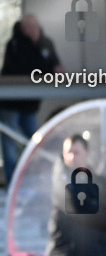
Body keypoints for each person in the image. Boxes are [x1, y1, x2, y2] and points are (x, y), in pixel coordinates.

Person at [0, 14, 63, 183]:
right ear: (23, 29)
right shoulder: (14, 45)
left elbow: (55, 65)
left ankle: (34, 179)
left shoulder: (45, 43)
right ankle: (13, 183)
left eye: (35, 26)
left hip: (30, 105)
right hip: (11, 104)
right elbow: (20, 70)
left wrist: (56, 70)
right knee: (10, 144)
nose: (32, 30)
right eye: (29, 27)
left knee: (35, 141)